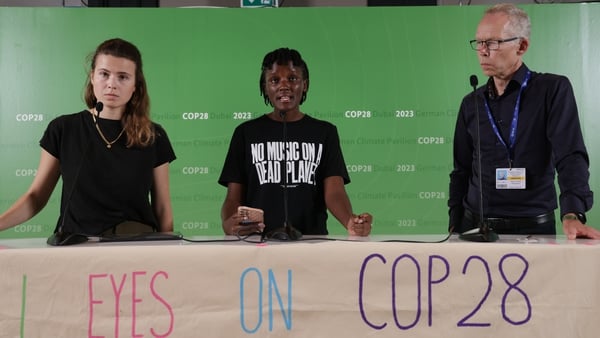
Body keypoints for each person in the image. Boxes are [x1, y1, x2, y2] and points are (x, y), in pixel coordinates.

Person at [0, 38, 176, 242]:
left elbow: (163, 209)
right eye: (104, 74)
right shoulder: (63, 129)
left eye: (123, 77)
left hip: (134, 247)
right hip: (75, 246)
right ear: (92, 77)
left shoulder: (153, 135)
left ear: (136, 85)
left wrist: (168, 253)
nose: (112, 84)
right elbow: (35, 198)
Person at [448, 3, 600, 240]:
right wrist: (454, 224)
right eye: (479, 42)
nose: (483, 51)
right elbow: (461, 169)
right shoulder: (471, 102)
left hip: (533, 227)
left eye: (493, 42)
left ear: (522, 45)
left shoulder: (552, 90)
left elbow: (570, 155)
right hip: (475, 225)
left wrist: (572, 213)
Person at [218, 47, 372, 238]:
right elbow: (234, 197)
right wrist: (229, 223)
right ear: (265, 87)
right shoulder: (245, 133)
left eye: (292, 78)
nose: (284, 86)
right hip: (258, 243)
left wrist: (350, 221)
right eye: (274, 80)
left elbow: (334, 192)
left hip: (311, 242)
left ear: (304, 85)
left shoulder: (325, 132)